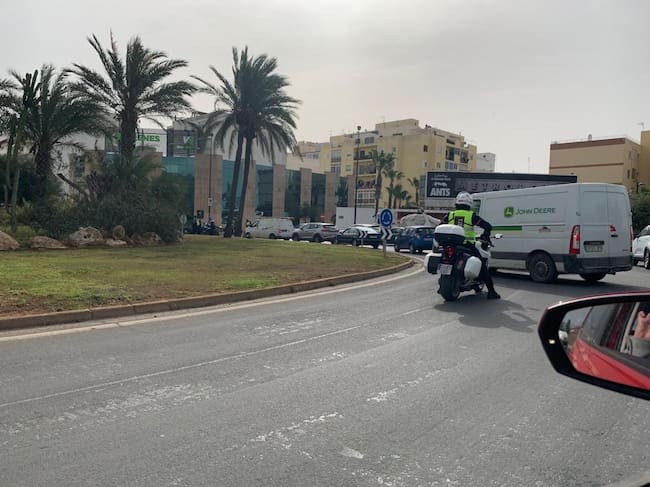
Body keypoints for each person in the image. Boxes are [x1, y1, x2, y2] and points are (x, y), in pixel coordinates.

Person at [441, 191, 501, 299]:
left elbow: (440, 226)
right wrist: (485, 235)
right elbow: (488, 226)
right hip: (467, 245)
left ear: (457, 203)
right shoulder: (471, 216)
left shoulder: (450, 215)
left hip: (451, 245)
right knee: (482, 266)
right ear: (469, 204)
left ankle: (442, 284)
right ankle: (491, 291)